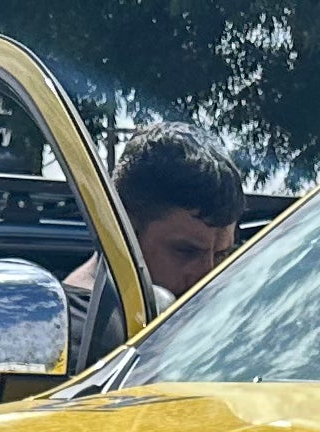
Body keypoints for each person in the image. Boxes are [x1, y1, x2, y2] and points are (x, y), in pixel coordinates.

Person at [67, 124, 243, 361]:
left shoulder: (233, 329)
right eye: (185, 251)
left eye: (222, 254)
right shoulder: (74, 340)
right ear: (123, 231)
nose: (207, 275)